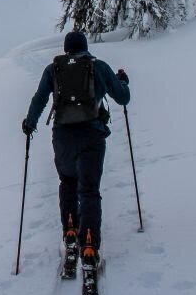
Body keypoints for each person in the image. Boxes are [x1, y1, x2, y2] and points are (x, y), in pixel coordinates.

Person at [21, 30, 130, 268]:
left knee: (68, 182)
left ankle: (70, 231)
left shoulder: (54, 69)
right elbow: (122, 98)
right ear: (85, 47)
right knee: (89, 190)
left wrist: (30, 123)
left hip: (63, 137)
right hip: (91, 136)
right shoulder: (98, 67)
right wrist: (123, 81)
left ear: (66, 49)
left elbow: (39, 99)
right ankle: (89, 245)